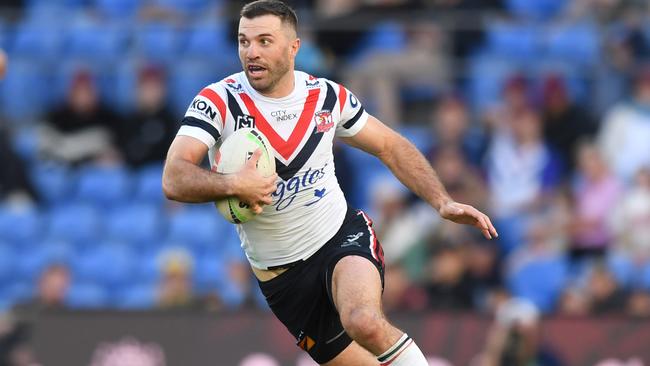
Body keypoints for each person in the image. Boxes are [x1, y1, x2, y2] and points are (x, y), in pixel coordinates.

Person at [162, 1, 498, 365]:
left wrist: (441, 201)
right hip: (283, 280)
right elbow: (174, 177)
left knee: (363, 321)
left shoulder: (326, 97)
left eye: (264, 41)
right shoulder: (219, 101)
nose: (251, 52)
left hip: (339, 237)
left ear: (293, 47)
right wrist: (232, 183)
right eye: (244, 42)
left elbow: (390, 145)